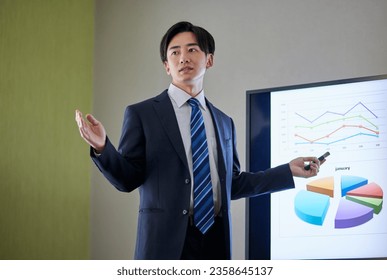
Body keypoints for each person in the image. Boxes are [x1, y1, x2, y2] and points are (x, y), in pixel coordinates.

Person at [75, 21, 323, 260]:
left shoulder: (225, 122)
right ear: (167, 66)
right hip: (164, 247)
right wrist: (102, 148)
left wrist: (288, 172)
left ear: (209, 59)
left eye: (192, 50)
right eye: (175, 52)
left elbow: (233, 185)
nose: (183, 58)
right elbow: (128, 179)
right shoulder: (142, 114)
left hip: (215, 242)